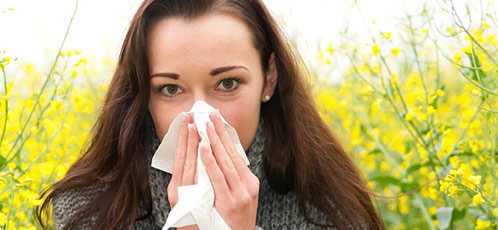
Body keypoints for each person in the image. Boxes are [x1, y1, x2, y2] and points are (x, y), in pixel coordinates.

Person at [35, 0, 384, 229]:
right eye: (171, 89)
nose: (200, 116)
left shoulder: (329, 210)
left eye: (228, 83)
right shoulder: (89, 212)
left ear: (269, 79)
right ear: (144, 95)